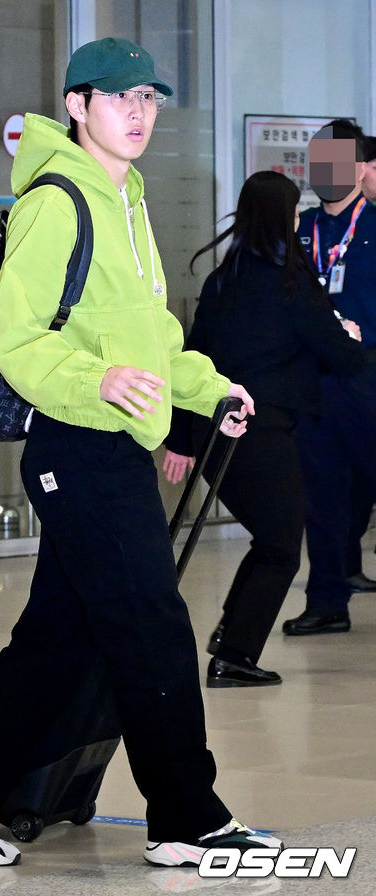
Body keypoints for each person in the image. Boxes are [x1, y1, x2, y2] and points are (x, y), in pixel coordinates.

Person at [0, 37, 284, 869]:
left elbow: (152, 338)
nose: (138, 113)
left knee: (62, 640)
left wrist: (210, 389)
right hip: (78, 445)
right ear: (77, 106)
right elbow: (15, 339)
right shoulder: (60, 201)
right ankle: (187, 818)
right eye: (118, 98)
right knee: (152, 630)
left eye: (149, 98)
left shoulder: (127, 199)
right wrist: (98, 382)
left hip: (113, 443)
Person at [163, 171, 365, 687]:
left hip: (217, 436)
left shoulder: (223, 279)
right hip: (262, 432)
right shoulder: (292, 282)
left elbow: (193, 357)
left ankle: (231, 629)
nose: (299, 222)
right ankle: (233, 655)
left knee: (269, 537)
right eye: (295, 212)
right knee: (280, 545)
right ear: (282, 217)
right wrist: (350, 335)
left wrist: (181, 442)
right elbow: (341, 357)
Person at [283, 120, 376, 635]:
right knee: (321, 495)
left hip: (368, 374)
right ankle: (326, 601)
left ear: (362, 169)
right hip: (314, 382)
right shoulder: (300, 230)